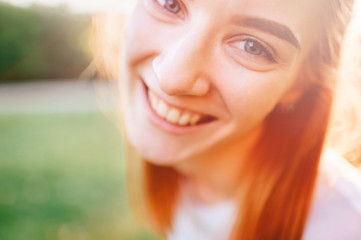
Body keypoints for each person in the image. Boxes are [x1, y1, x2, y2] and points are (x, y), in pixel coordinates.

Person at [97, 0, 361, 239]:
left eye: (252, 46)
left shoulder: (347, 228)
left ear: (301, 82)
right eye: (170, 4)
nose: (172, 78)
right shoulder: (189, 178)